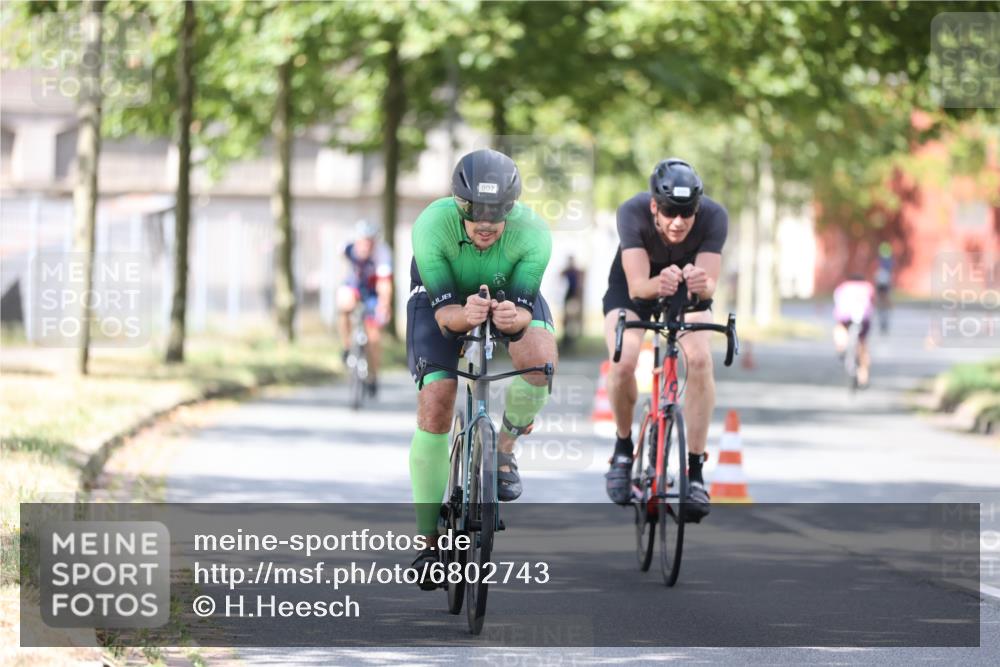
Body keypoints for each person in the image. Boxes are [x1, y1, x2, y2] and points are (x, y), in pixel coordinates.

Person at [406, 149, 557, 583]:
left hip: (509, 294)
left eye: (497, 212)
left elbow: (526, 313)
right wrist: (464, 315)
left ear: (511, 208)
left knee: (540, 363)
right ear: (459, 204)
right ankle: (429, 543)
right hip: (445, 297)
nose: (486, 223)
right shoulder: (432, 226)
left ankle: (504, 450)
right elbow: (444, 318)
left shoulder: (533, 235)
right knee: (436, 400)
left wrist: (516, 318)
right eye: (475, 211)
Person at [602, 158, 728, 522]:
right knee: (623, 359)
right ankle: (624, 449)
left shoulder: (714, 217)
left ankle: (696, 470)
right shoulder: (633, 212)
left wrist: (702, 286)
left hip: (685, 292)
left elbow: (709, 287)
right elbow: (639, 286)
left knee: (701, 359)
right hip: (633, 289)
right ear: (654, 206)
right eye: (670, 212)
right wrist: (662, 282)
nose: (678, 222)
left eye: (686, 214)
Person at [337, 219, 393, 397]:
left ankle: (373, 375)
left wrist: (384, 304)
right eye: (363, 241)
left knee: (374, 338)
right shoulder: (348, 249)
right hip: (354, 286)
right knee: (344, 303)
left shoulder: (382, 254)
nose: (365, 245)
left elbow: (384, 284)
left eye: (369, 241)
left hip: (373, 292)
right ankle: (346, 347)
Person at [833, 273, 876, 387]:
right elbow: (872, 301)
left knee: (840, 327)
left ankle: (841, 346)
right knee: (863, 343)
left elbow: (837, 300)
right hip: (864, 317)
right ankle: (863, 376)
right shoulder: (868, 287)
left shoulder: (843, 286)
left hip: (845, 315)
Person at [560, 255, 585, 350]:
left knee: (572, 319)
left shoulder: (576, 272)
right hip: (568, 296)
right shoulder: (568, 271)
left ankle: (571, 339)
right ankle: (567, 339)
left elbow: (579, 285)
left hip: (573, 297)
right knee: (567, 319)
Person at [874, 242, 893, 334]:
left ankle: (883, 319)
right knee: (885, 300)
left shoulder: (880, 261)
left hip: (881, 282)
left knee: (881, 301)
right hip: (885, 282)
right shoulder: (889, 261)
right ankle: (884, 319)